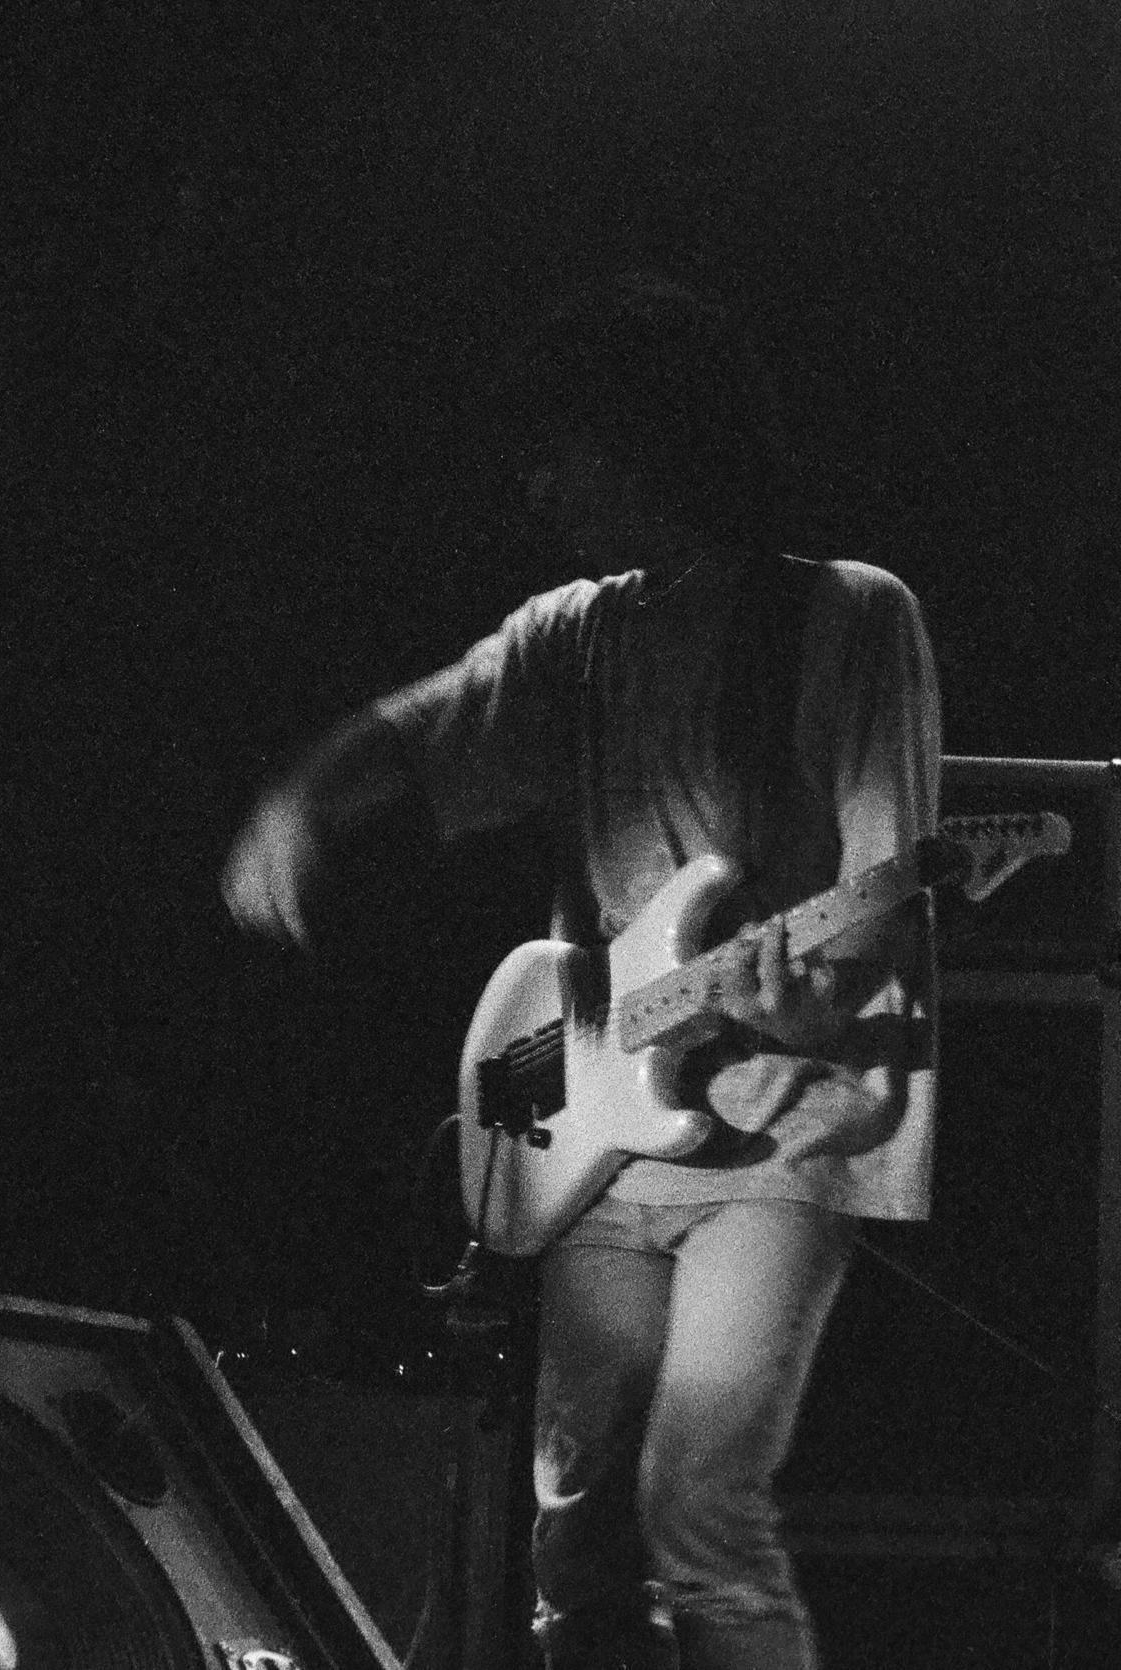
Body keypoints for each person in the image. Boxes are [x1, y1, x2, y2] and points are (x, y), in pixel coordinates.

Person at [225, 274, 942, 1670]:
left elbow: (886, 901)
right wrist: (297, 804)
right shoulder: (575, 636)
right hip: (606, 1138)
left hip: (786, 1134)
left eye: (564, 449)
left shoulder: (851, 618)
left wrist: (825, 987)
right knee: (576, 1536)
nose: (537, 484)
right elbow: (410, 727)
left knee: (702, 1504)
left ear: (650, 440)